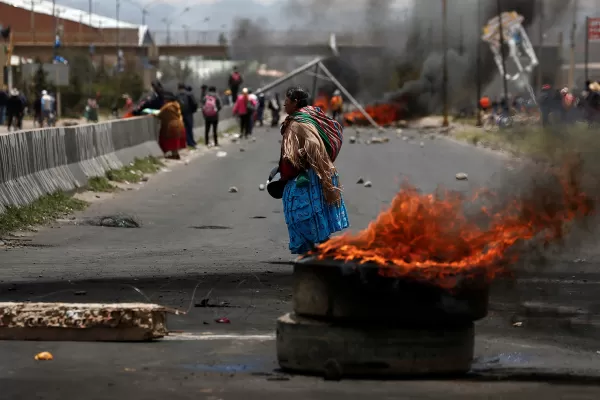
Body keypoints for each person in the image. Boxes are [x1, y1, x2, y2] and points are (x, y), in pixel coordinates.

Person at [277, 86, 349, 254]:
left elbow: (314, 146)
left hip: (309, 174)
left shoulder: (299, 123)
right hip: (310, 172)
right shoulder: (307, 116)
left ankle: (318, 250)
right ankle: (318, 250)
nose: (284, 106)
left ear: (295, 103)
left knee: (302, 214)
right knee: (311, 213)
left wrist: (300, 157)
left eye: (286, 102)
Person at [155, 86, 186, 160]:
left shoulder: (167, 106)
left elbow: (159, 114)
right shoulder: (176, 104)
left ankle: (174, 155)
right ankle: (176, 154)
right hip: (180, 123)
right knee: (176, 140)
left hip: (172, 125)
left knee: (172, 140)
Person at [177, 83, 198, 149]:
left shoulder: (176, 95)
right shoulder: (189, 94)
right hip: (189, 113)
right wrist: (193, 110)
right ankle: (191, 142)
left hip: (180, 114)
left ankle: (188, 142)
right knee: (189, 128)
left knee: (184, 128)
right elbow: (195, 103)